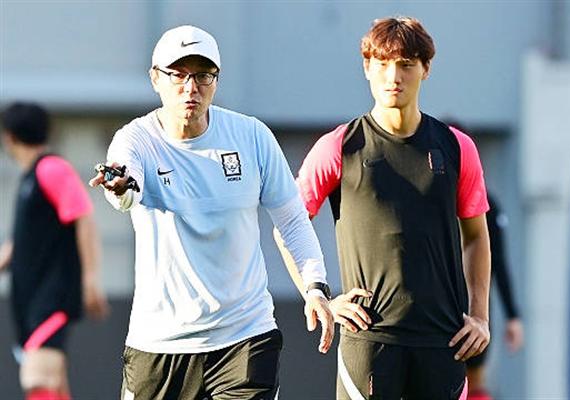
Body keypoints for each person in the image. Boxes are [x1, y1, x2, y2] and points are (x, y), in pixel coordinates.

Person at [88, 25, 334, 400]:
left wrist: (315, 286)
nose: (191, 88)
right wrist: (120, 186)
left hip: (245, 337)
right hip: (159, 344)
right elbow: (125, 187)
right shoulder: (135, 139)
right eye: (178, 75)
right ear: (155, 79)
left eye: (203, 75)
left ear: (216, 81)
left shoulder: (252, 136)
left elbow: (291, 219)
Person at [278, 16, 492, 399]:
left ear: (426, 69)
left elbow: (476, 237)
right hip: (369, 341)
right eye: (382, 64)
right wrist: (318, 295)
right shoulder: (340, 146)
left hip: (443, 341)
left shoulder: (457, 148)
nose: (393, 76)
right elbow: (288, 225)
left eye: (406, 64)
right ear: (367, 68)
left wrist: (480, 316)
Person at [0, 102, 109, 400]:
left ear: (10, 137)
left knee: (38, 379)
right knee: (53, 385)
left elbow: (83, 217)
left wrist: (90, 279)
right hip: (31, 301)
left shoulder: (51, 168)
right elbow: (18, 244)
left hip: (51, 297)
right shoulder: (30, 178)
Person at [466, 194, 524, 400]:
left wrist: (512, 315)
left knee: (472, 380)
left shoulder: (486, 205)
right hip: (457, 308)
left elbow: (498, 261)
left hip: (475, 310)